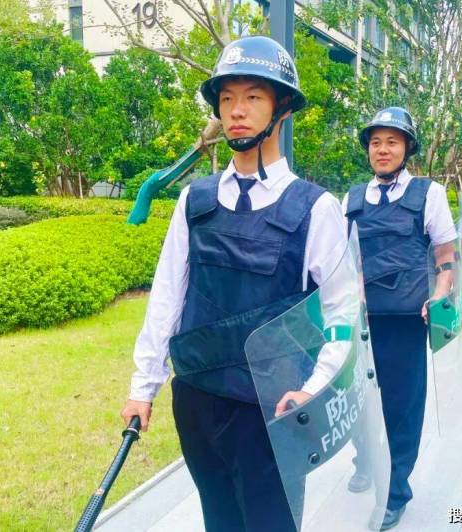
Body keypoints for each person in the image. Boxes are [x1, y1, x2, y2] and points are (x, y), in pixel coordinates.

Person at [120, 35, 348, 532]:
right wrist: (144, 386)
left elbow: (343, 315)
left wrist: (313, 389)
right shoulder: (194, 202)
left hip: (272, 410)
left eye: (252, 97)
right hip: (198, 400)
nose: (236, 111)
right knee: (219, 520)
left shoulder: (316, 209)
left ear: (282, 108)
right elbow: (167, 298)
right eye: (227, 98)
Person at [343, 107, 457, 531]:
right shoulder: (352, 198)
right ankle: (365, 460)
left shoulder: (429, 194)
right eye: (376, 142)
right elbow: (342, 258)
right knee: (357, 402)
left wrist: (440, 294)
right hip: (361, 323)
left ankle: (395, 492)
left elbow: (445, 254)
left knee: (402, 409)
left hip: (408, 322)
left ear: (407, 148)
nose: (383, 149)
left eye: (392, 142)